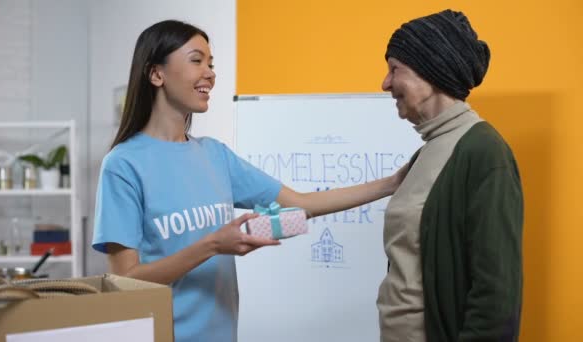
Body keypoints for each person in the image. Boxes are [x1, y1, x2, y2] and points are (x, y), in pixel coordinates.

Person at [91, 20, 406, 342]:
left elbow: (302, 205)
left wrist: (392, 183)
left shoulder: (214, 155)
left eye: (211, 64)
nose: (210, 73)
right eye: (196, 60)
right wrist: (213, 245)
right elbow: (125, 280)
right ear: (156, 74)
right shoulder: (124, 165)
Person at [376, 9, 523, 342]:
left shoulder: (483, 152)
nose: (385, 83)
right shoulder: (428, 151)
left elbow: (496, 296)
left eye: (394, 69)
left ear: (430, 71)